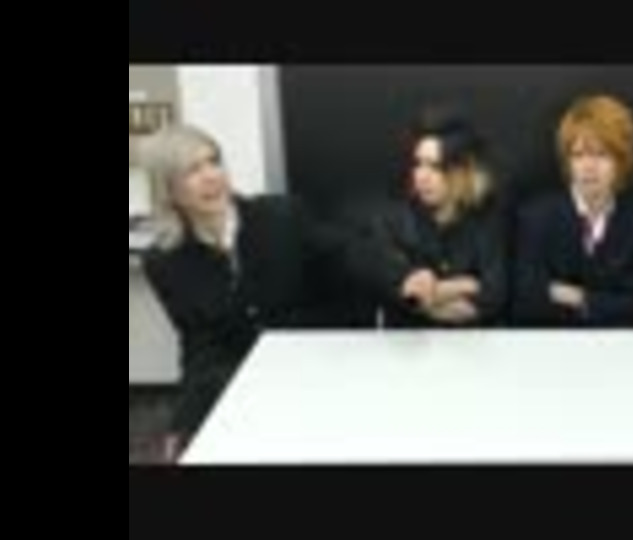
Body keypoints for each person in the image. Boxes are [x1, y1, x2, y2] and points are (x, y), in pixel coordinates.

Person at [140, 124, 355, 459]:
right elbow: (200, 344)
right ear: (168, 189)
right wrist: (186, 420)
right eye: (192, 171)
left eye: (214, 161)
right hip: (250, 388)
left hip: (320, 373)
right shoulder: (164, 261)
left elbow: (352, 255)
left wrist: (406, 280)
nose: (211, 176)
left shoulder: (282, 215)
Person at [359, 106, 506, 327]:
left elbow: (494, 296)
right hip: (407, 342)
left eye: (435, 167)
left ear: (464, 171)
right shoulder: (393, 220)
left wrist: (434, 291)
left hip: (473, 343)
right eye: (418, 164)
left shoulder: (486, 219)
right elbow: (409, 299)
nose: (422, 176)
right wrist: (468, 284)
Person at [513, 94, 633, 327]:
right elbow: (527, 303)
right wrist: (606, 303)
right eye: (578, 155)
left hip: (614, 343)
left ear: (621, 161)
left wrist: (578, 297)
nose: (589, 167)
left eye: (601, 155)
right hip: (551, 341)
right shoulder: (536, 217)